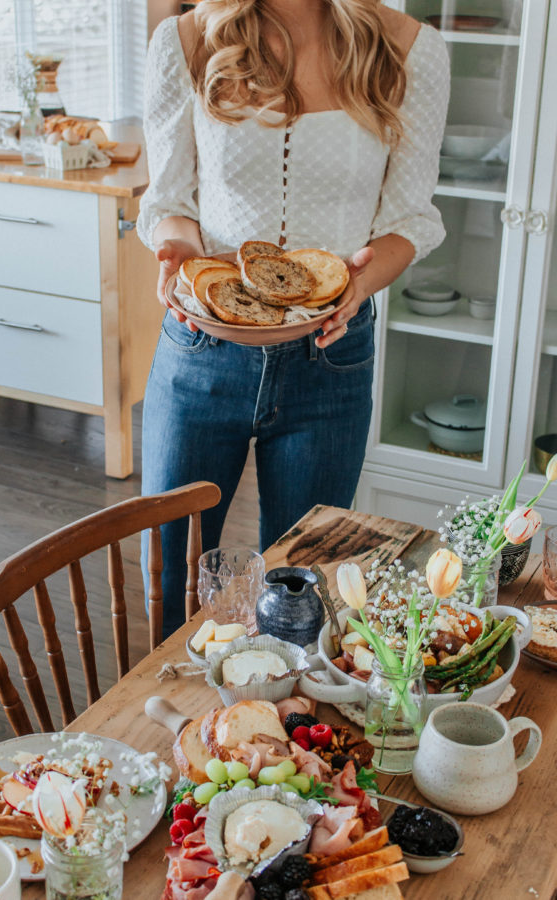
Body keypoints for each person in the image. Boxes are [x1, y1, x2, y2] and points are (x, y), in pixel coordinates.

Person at [137, 0, 450, 637]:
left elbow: (410, 218)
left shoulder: (409, 49)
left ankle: (274, 732)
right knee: (172, 572)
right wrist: (182, 252)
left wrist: (360, 280)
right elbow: (169, 198)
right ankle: (169, 725)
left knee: (305, 587)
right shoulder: (186, 40)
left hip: (329, 359)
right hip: (202, 348)